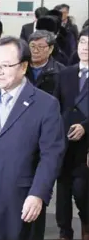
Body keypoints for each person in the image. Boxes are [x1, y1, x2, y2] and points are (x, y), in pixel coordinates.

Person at [0, 36, 66, 240]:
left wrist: (38, 194)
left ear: (23, 67)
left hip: (22, 200)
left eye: (5, 66)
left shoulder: (45, 104)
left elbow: (51, 155)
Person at [54, 26, 89, 240]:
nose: (86, 48)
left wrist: (86, 126)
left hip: (86, 146)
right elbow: (55, 105)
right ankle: (64, 231)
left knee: (82, 190)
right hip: (64, 143)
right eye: (83, 43)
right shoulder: (65, 73)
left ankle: (86, 224)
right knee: (63, 191)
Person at [25, 30, 65, 95]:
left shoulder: (61, 71)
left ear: (50, 49)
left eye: (40, 47)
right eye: (32, 46)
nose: (35, 51)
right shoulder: (20, 67)